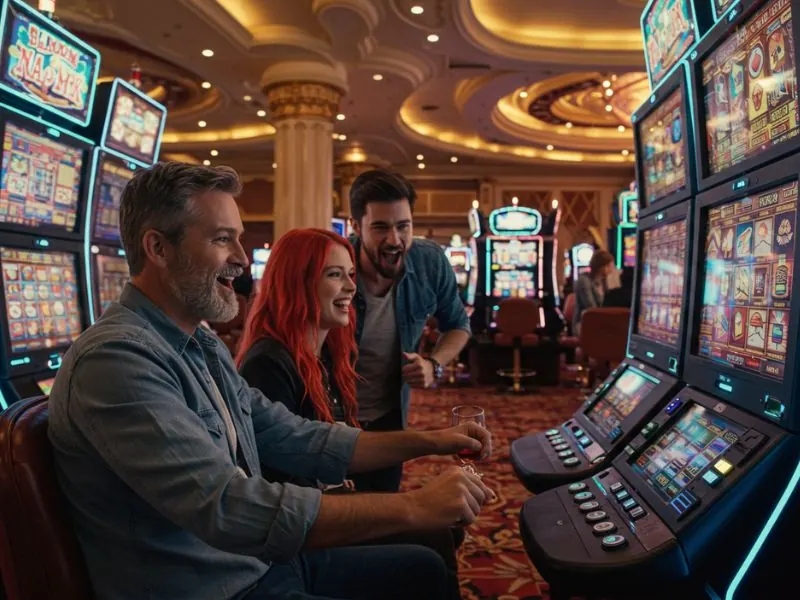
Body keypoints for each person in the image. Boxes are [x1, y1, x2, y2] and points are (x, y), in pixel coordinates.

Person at [47, 162, 492, 600]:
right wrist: (414, 506)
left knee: (424, 568)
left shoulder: (200, 344)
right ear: (158, 248)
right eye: (223, 240)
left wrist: (433, 440)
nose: (243, 260)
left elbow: (295, 435)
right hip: (215, 585)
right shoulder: (117, 360)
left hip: (258, 565)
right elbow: (226, 505)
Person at [235, 228, 464, 599]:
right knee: (429, 549)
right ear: (298, 281)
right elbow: (282, 487)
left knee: (438, 534)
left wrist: (433, 443)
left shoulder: (324, 354)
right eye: (334, 274)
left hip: (324, 504)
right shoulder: (269, 364)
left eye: (350, 275)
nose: (350, 288)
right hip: (298, 532)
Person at [348, 169, 472, 492]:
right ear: (355, 227)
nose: (394, 240)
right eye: (380, 227)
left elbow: (458, 325)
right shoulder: (332, 264)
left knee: (381, 510)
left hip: (390, 416)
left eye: (403, 226)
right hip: (329, 416)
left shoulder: (430, 262)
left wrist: (434, 364)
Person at [573, 249, 615, 335]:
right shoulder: (584, 280)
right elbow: (591, 308)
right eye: (610, 265)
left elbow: (609, 304)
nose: (612, 268)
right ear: (602, 266)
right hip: (583, 323)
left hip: (600, 321)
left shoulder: (604, 281)